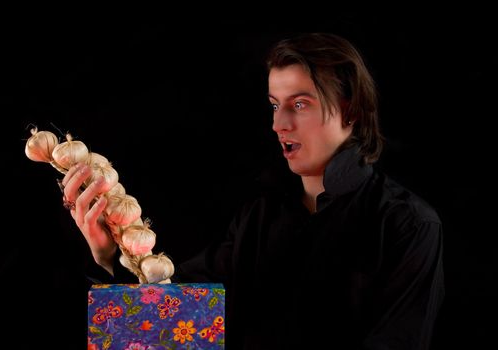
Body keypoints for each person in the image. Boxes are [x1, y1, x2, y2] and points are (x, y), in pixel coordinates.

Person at [61, 33, 444, 349]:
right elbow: (172, 330)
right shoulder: (259, 217)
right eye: (275, 105)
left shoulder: (408, 226)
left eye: (299, 104)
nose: (279, 123)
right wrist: (110, 255)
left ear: (351, 110)